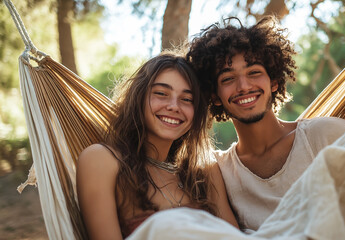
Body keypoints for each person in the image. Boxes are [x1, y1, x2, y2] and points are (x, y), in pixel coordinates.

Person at [186, 16, 345, 231]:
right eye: (228, 79)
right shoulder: (219, 171)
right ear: (215, 96)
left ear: (274, 82)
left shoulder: (325, 135)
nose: (243, 86)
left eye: (254, 72)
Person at [76, 53, 238, 239]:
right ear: (138, 98)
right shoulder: (103, 160)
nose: (174, 106)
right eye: (161, 94)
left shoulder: (204, 172)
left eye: (187, 99)